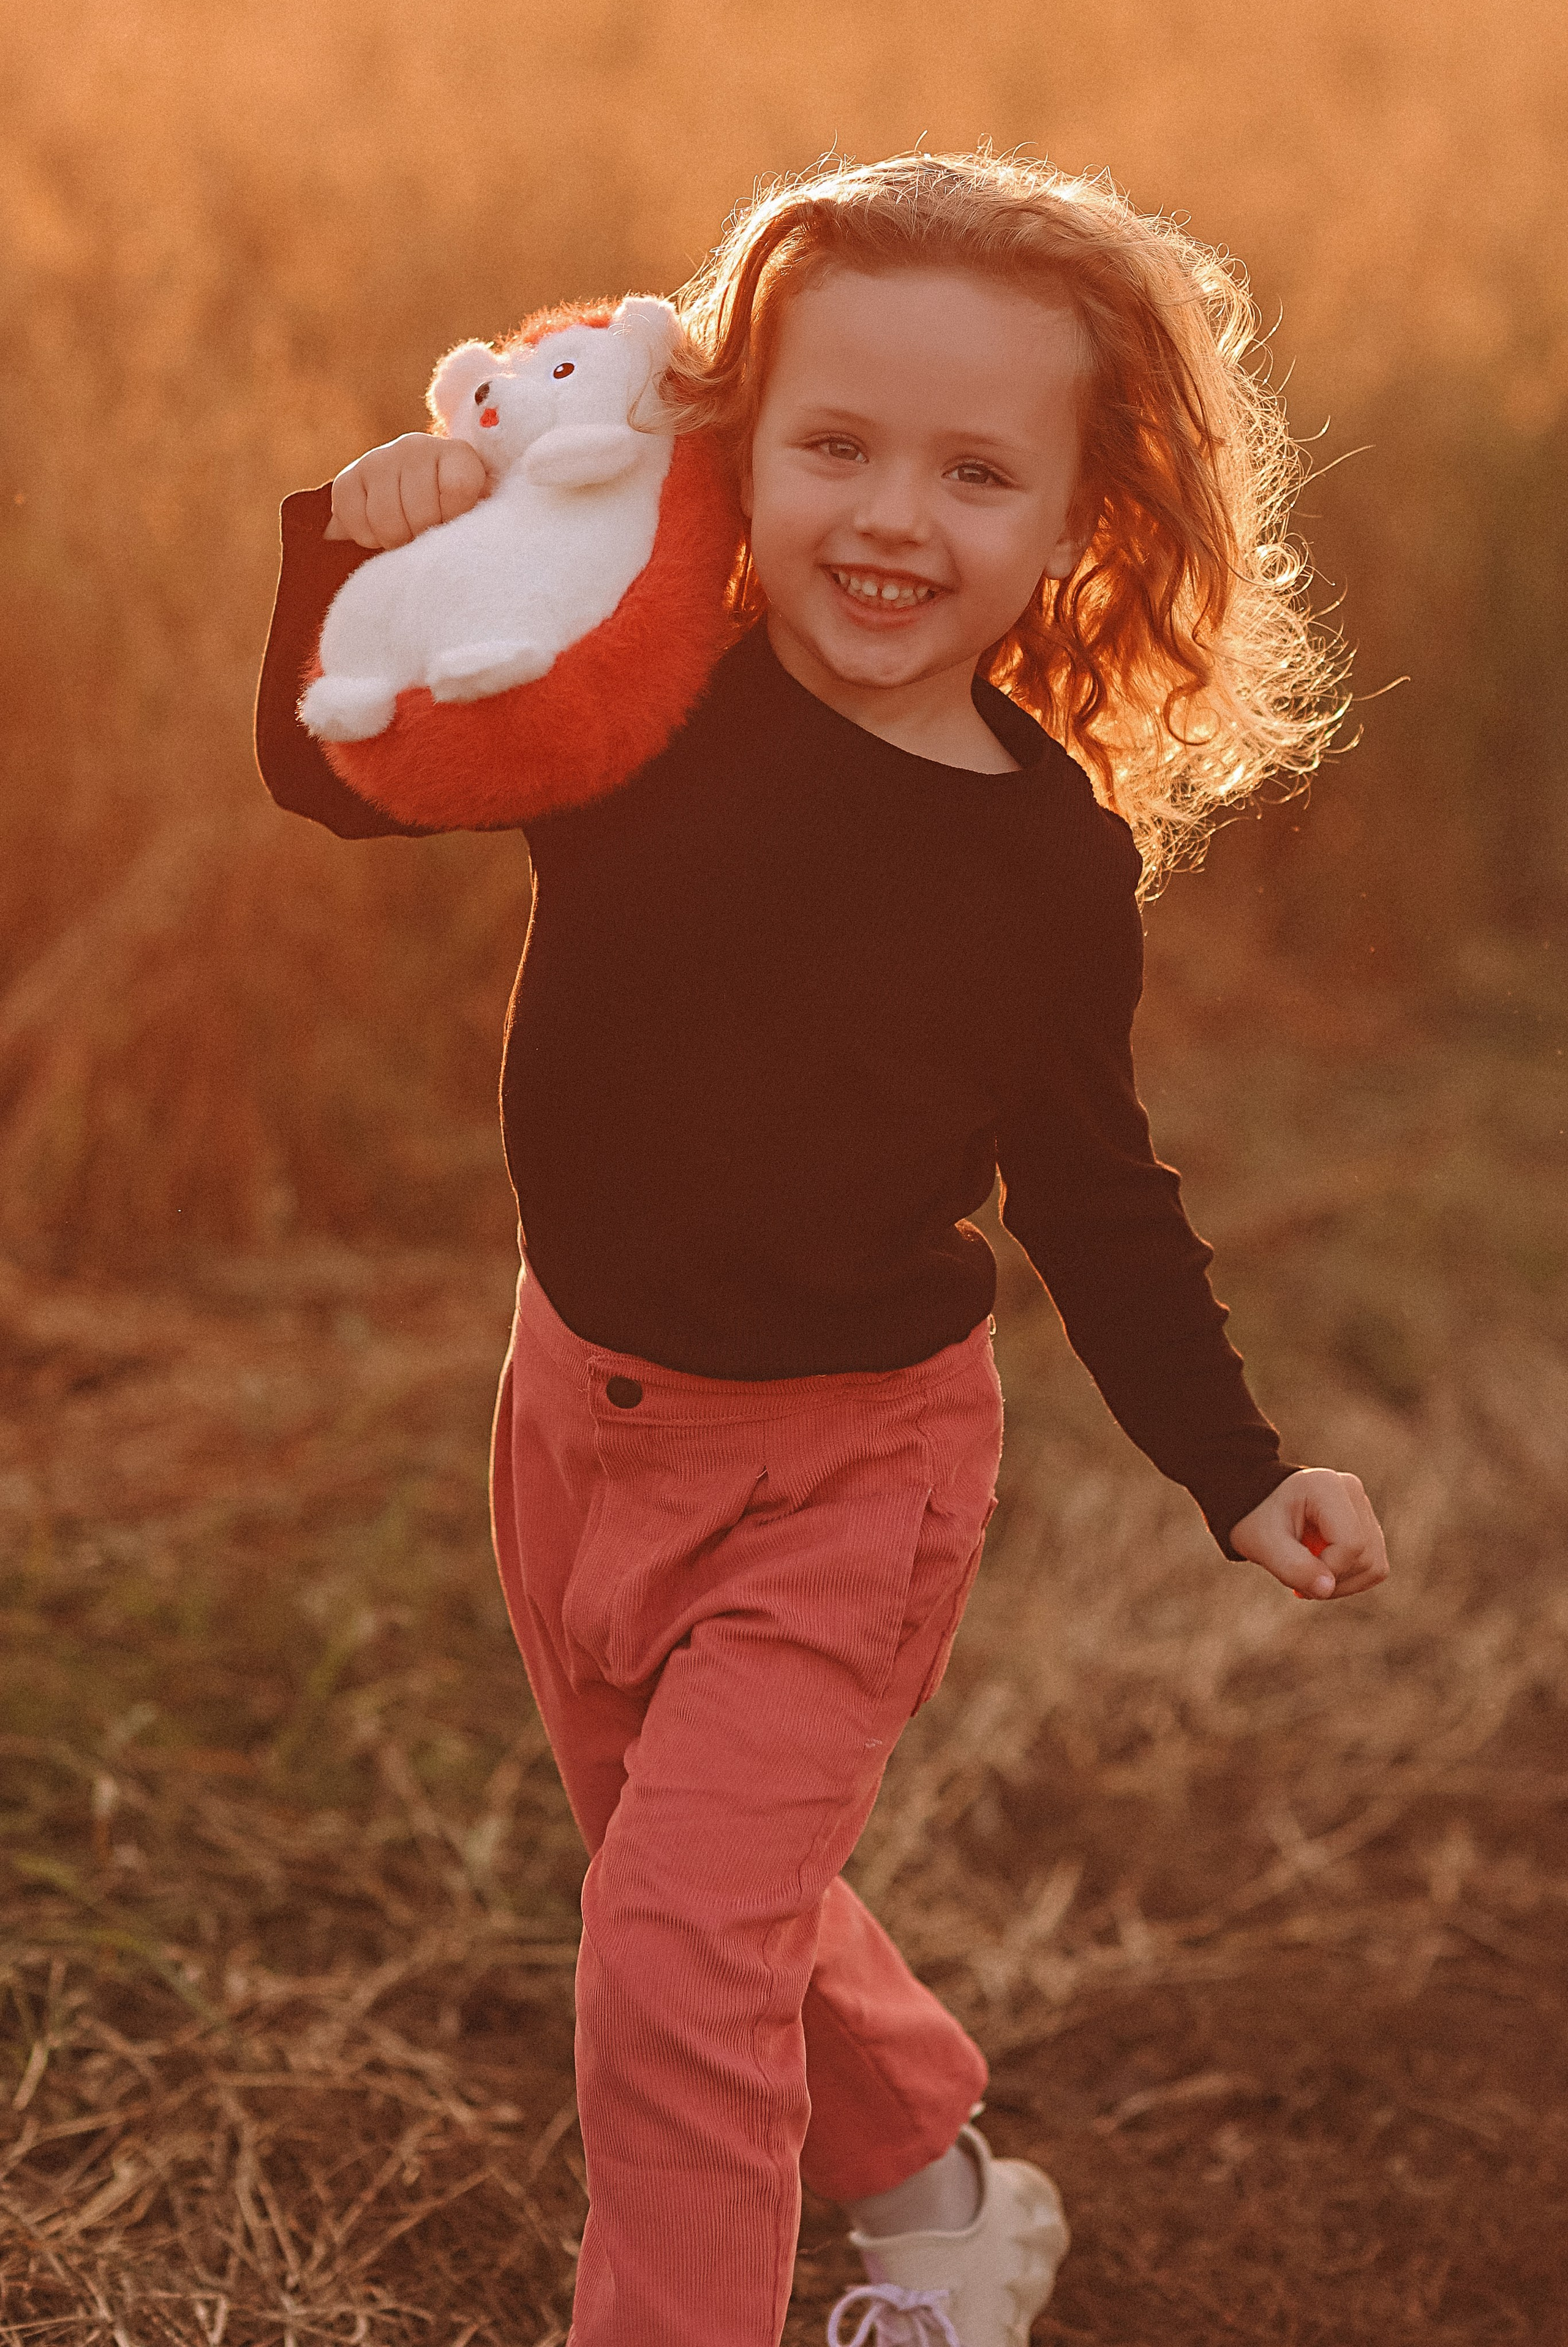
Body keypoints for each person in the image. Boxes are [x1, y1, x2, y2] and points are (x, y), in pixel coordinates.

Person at [255, 153, 1390, 2347]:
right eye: (838, 445)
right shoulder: (644, 689)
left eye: (975, 471)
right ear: (737, 443)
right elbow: (333, 773)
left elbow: (1095, 1192)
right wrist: (358, 539)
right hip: (572, 1423)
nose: (891, 517)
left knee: (673, 1960)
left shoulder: (1042, 863)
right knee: (689, 1895)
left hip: (846, 1483)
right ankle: (945, 2197)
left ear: (1079, 515)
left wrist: (1241, 1470)